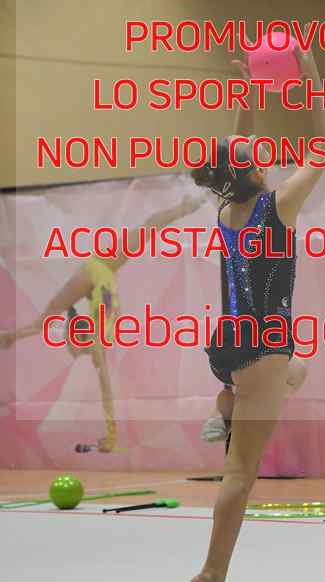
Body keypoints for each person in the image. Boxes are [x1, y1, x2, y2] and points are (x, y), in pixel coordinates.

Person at [189, 35, 325, 582]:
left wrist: (249, 90)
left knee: (299, 371)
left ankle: (226, 403)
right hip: (264, 347)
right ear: (249, 170)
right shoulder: (278, 207)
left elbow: (236, 150)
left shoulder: (226, 212)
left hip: (228, 346)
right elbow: (324, 146)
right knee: (240, 475)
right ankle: (212, 574)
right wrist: (310, 73)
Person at [0, 192, 206, 451]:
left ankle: (10, 337)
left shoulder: (97, 312)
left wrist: (111, 435)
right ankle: (11, 337)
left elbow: (150, 226)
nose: (75, 346)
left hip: (99, 281)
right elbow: (150, 226)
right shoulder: (100, 315)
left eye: (75, 346)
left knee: (52, 319)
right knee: (145, 232)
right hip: (100, 282)